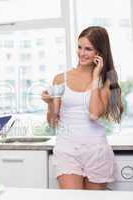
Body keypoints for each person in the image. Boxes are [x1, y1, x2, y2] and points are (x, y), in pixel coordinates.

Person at [41, 26, 123, 190]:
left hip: (96, 151)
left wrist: (95, 78)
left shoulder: (107, 80)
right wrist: (50, 104)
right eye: (79, 47)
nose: (82, 53)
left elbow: (94, 114)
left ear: (99, 52)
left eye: (88, 49)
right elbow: (52, 122)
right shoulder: (60, 79)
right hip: (67, 149)